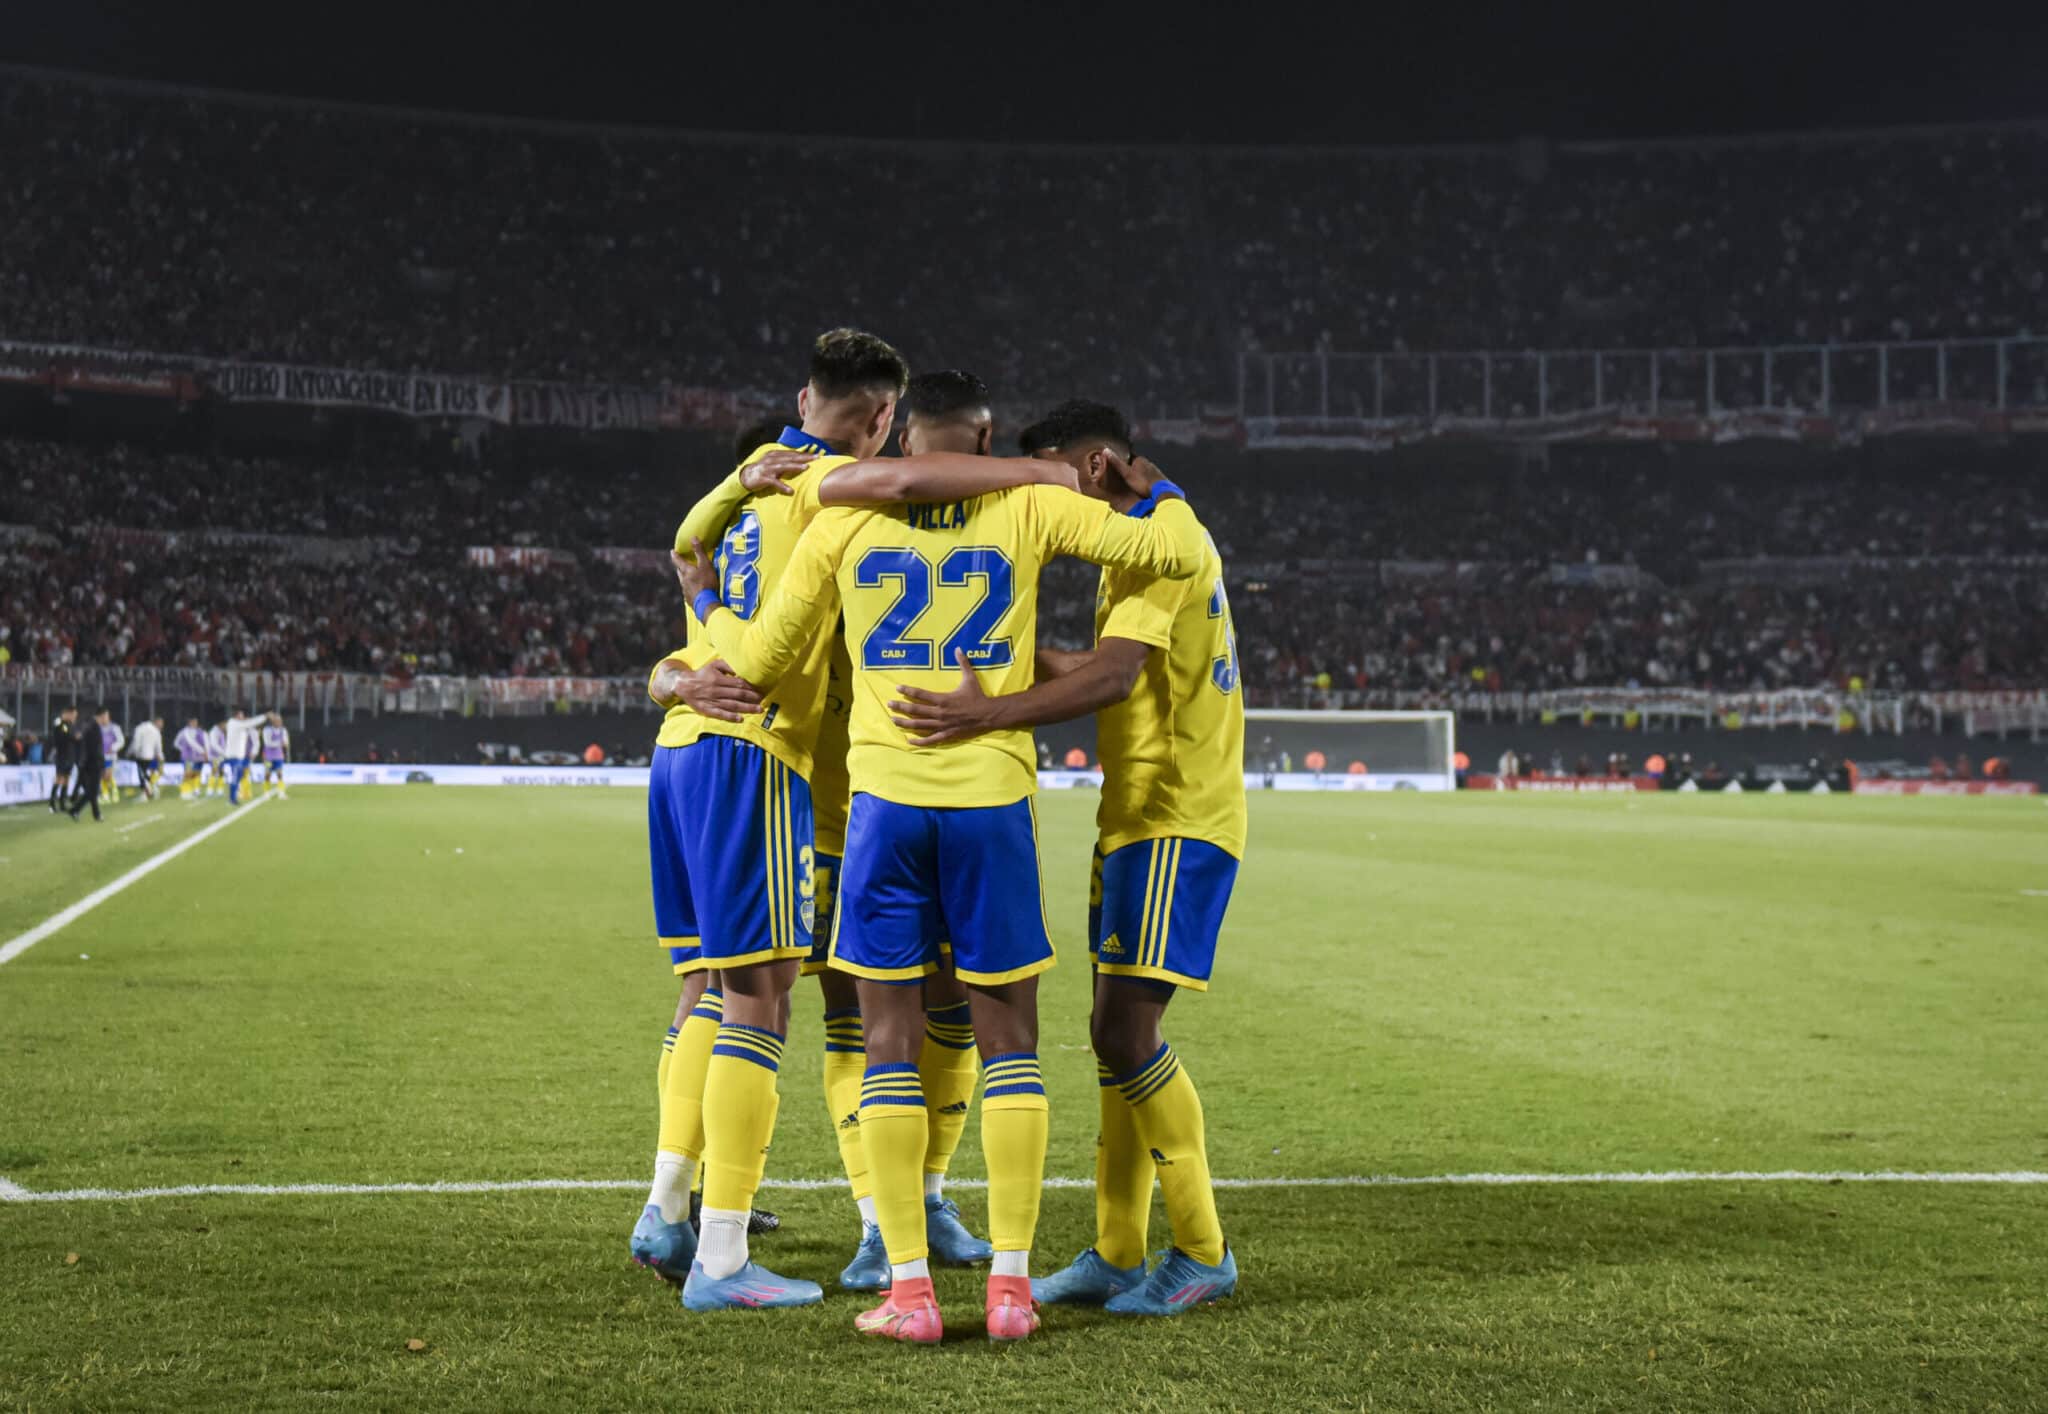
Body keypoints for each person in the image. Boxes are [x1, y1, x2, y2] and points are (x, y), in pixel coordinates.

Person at [678, 420, 1205, 1344]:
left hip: (882, 807)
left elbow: (756, 665)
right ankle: (1011, 1289)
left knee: (886, 1040)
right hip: (992, 800)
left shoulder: (841, 523)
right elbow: (1165, 546)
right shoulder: (1031, 505)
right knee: (1012, 1044)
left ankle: (911, 1291)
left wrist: (706, 600)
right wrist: (1156, 488)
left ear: (904, 444)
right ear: (986, 437)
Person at [635, 336, 1065, 1313]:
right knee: (781, 1000)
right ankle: (724, 1248)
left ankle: (759, 1212)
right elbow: (927, 478)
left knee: (730, 988)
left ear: (801, 399)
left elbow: (684, 571)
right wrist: (1037, 469)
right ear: (883, 424)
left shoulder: (752, 493)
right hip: (790, 775)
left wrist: (684, 626)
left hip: (713, 758)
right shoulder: (846, 490)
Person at [888, 399, 1244, 1316]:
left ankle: (1201, 1251)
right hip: (1135, 819)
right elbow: (1093, 662)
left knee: (1128, 1035)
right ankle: (1118, 1251)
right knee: (1109, 1039)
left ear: (1089, 468)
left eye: (1043, 471)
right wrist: (998, 654)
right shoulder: (1140, 541)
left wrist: (988, 712)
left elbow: (1115, 676)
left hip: (1176, 817)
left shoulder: (1157, 542)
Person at [69, 708, 110, 822]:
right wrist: (103, 765)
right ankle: (77, 810)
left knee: (91, 791)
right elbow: (96, 749)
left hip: (86, 763)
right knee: (93, 791)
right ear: (102, 716)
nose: (108, 719)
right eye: (107, 716)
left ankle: (89, 813)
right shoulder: (94, 727)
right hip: (92, 763)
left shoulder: (89, 725)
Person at [46, 705, 78, 813]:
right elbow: (67, 735)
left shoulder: (69, 725)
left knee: (66, 779)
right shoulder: (60, 724)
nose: (74, 717)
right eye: (73, 715)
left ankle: (62, 803)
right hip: (62, 756)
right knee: (59, 778)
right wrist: (75, 736)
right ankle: (52, 804)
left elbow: (71, 736)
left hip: (70, 756)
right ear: (67, 714)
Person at [224, 708, 257, 805]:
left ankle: (244, 793)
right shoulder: (234, 726)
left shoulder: (251, 730)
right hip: (235, 756)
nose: (243, 718)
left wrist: (254, 752)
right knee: (236, 775)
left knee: (243, 774)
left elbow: (256, 742)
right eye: (241, 716)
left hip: (246, 756)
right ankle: (234, 796)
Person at [130, 715, 165, 801]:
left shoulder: (139, 728)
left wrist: (133, 752)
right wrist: (160, 756)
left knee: (143, 776)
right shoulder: (155, 730)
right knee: (150, 774)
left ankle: (145, 794)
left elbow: (136, 743)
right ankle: (154, 790)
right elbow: (159, 745)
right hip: (152, 756)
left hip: (141, 756)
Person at [175, 718, 209, 800]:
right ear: (189, 722)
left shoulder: (200, 731)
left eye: (196, 722)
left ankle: (195, 790)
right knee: (188, 774)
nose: (195, 723)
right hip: (187, 757)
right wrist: (183, 750)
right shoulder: (183, 732)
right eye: (193, 722)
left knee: (196, 774)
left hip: (198, 758)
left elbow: (206, 743)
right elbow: (176, 743)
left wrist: (206, 754)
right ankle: (185, 792)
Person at [260, 713, 291, 799]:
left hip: (278, 756)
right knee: (267, 774)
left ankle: (281, 792)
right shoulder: (267, 730)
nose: (279, 722)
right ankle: (266, 793)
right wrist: (280, 743)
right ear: (273, 722)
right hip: (268, 756)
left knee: (280, 774)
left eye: (280, 721)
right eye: (277, 721)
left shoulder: (283, 730)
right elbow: (268, 743)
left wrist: (285, 744)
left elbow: (286, 742)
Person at [99, 714, 125, 804]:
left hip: (111, 756)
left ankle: (115, 793)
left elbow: (121, 741)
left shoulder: (114, 727)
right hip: (101, 756)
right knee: (102, 776)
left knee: (108, 775)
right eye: (101, 717)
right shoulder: (98, 728)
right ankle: (105, 796)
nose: (103, 719)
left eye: (104, 717)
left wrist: (113, 748)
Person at [205, 718, 230, 797]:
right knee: (214, 772)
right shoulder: (214, 731)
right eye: (225, 724)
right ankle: (210, 790)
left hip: (220, 756)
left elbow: (223, 744)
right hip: (214, 756)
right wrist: (224, 753)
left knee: (221, 773)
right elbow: (214, 745)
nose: (226, 726)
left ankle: (220, 790)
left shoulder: (221, 732)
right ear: (221, 723)